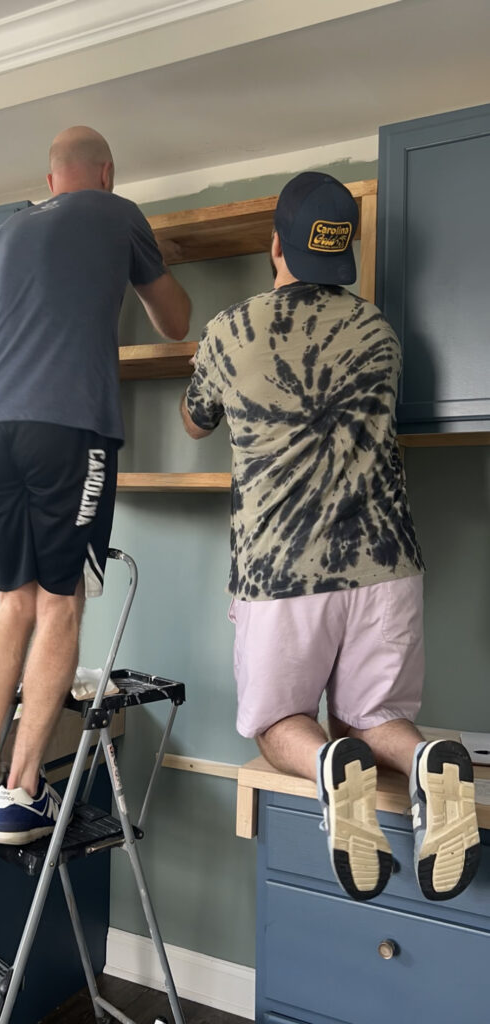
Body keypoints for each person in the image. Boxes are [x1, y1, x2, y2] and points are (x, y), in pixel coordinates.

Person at [181, 171, 479, 902]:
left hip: (282, 573)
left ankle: (326, 768)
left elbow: (195, 420)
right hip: (388, 564)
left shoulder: (227, 331)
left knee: (280, 723)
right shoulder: (380, 331)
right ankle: (428, 758)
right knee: (374, 717)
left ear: (274, 244)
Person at [0, 125, 191, 845]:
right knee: (61, 605)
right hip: (66, 430)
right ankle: (23, 794)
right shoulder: (118, 213)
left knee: (13, 600)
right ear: (106, 173)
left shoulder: (5, 232)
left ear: (51, 180)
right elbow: (177, 322)